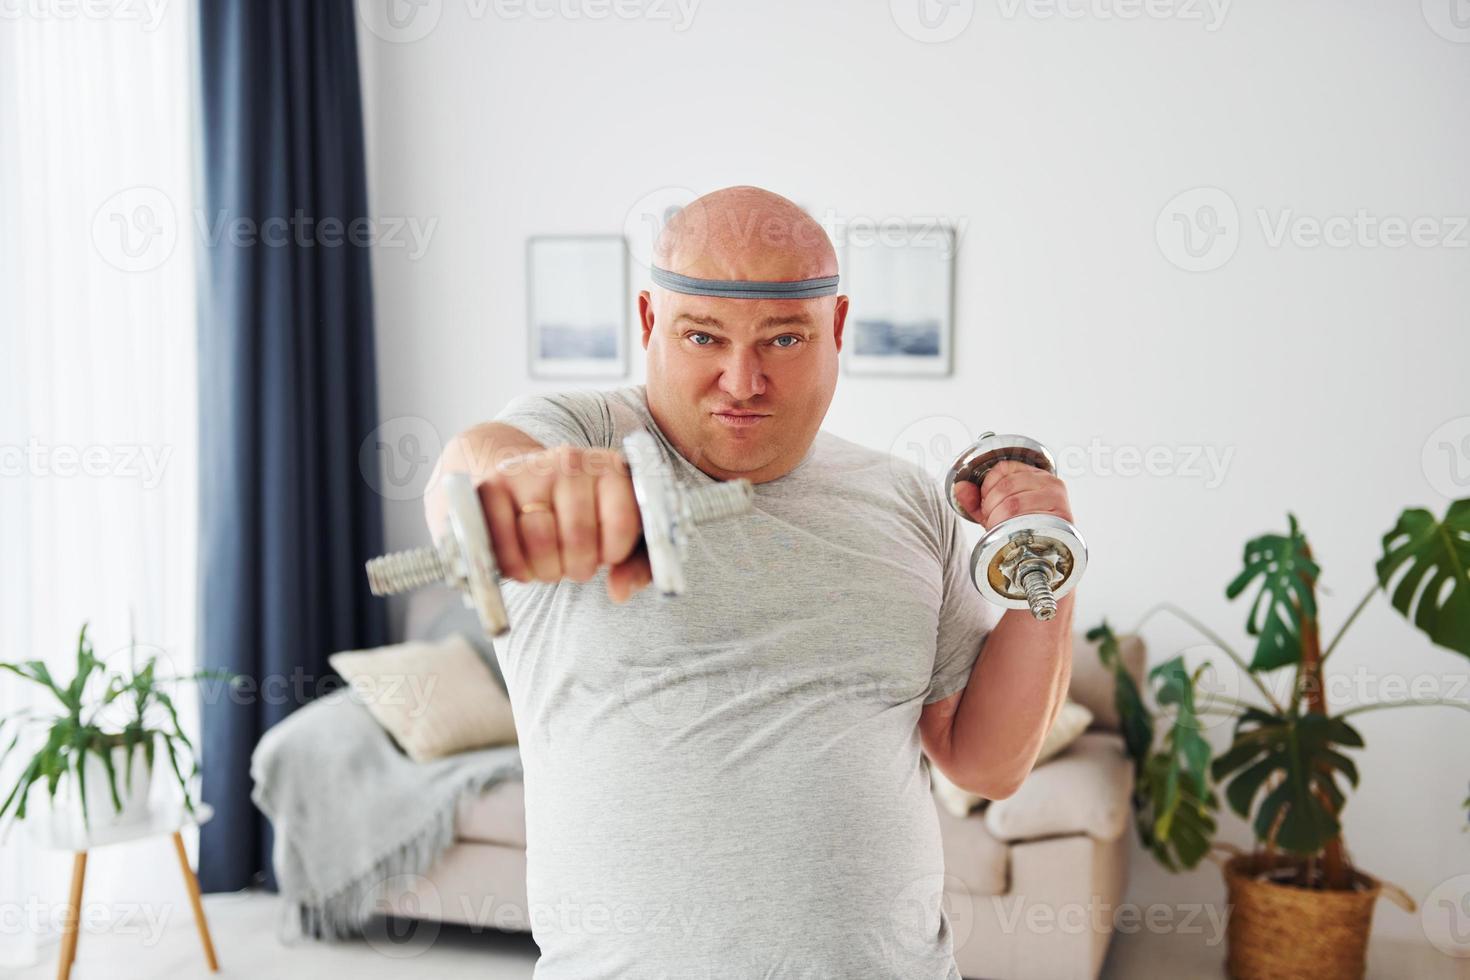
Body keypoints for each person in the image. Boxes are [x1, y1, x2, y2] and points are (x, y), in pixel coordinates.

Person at [424, 185, 1076, 979]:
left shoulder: (908, 502)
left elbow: (987, 763)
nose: (741, 381)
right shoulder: (587, 440)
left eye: (783, 340)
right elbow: (472, 466)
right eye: (702, 337)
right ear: (648, 322)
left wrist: (1051, 557)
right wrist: (526, 483)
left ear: (835, 327)